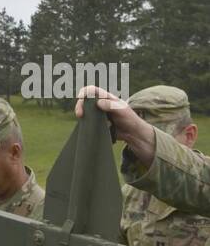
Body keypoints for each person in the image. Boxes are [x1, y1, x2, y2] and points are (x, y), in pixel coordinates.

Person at [76, 87, 210, 217]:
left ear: (189, 135)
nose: (140, 151)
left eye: (161, 138)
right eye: (132, 141)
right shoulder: (128, 198)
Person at [118, 86, 210, 246]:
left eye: (156, 142)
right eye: (135, 142)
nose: (142, 152)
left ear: (189, 135)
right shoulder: (129, 195)